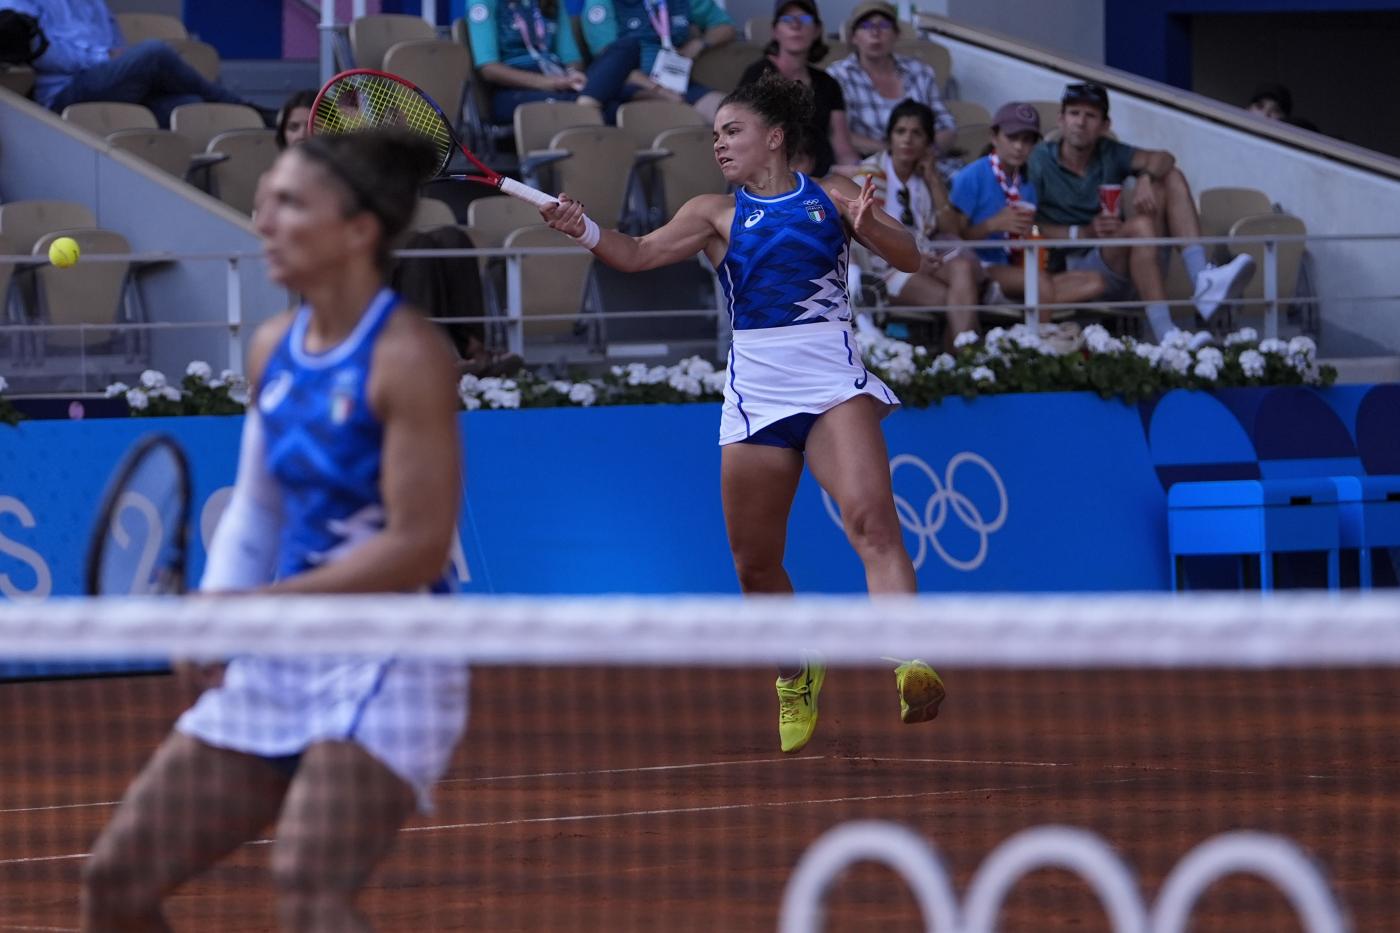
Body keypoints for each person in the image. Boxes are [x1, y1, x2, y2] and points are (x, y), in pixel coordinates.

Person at [80, 129, 469, 931]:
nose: (264, 219)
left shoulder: (409, 358)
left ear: (358, 230)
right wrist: (222, 605)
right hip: (283, 651)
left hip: (393, 656)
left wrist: (262, 604)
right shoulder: (271, 349)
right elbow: (258, 506)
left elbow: (418, 544)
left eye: (290, 202)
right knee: (115, 881)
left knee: (306, 885)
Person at [540, 73, 945, 754]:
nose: (720, 146)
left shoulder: (835, 199)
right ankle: (796, 670)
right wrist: (578, 225)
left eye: (733, 132)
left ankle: (910, 662)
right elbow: (635, 255)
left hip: (832, 388)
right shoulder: (712, 214)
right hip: (757, 399)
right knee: (755, 564)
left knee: (872, 519)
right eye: (716, 136)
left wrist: (874, 224)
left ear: (775, 137)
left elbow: (913, 259)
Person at [1027, 81, 1254, 341]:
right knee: (1141, 227)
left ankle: (1202, 279)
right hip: (1068, 265)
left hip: (1117, 256)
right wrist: (1083, 232)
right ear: (1061, 120)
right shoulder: (1040, 159)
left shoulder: (1109, 151)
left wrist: (1145, 176)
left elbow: (1165, 158)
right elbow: (1030, 225)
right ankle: (1166, 334)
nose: (1081, 122)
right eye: (1074, 113)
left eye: (1090, 116)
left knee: (1170, 176)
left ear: (1105, 126)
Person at [948, 101, 1104, 324]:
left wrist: (1033, 236)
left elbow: (1027, 231)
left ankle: (1017, 304)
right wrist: (992, 225)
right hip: (979, 266)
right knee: (1040, 283)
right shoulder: (971, 176)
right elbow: (953, 239)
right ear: (994, 137)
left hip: (1014, 267)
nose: (1020, 147)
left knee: (1094, 281)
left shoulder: (1027, 184)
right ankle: (1034, 343)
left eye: (1027, 140)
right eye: (1012, 138)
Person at [0, 0, 264, 128]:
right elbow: (39, 52)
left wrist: (115, 63)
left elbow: (118, 47)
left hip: (110, 83)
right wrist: (103, 59)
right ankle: (246, 108)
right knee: (154, 51)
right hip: (64, 94)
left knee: (190, 106)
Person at [854, 100, 983, 347]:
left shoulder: (924, 177)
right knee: (958, 301)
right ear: (890, 137)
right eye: (900, 131)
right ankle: (963, 359)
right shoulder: (868, 174)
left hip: (922, 259)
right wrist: (908, 258)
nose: (907, 140)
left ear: (928, 142)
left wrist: (934, 179)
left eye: (917, 133)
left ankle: (957, 361)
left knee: (963, 270)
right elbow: (862, 233)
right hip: (883, 268)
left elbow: (951, 229)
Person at [825, 0, 957, 179]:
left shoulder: (920, 71)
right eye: (865, 26)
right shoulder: (837, 75)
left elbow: (946, 126)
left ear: (897, 34)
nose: (875, 32)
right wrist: (896, 151)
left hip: (927, 160)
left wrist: (925, 150)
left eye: (884, 25)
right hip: (872, 165)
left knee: (967, 182)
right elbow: (840, 134)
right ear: (853, 37)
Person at [736, 0, 858, 177]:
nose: (796, 25)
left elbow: (842, 147)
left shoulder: (828, 83)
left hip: (823, 179)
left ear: (817, 30)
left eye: (805, 19)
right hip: (768, 179)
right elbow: (746, 139)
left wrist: (862, 172)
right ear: (775, 31)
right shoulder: (757, 75)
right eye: (787, 19)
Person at [465, 0, 637, 123]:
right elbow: (489, 69)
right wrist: (552, 83)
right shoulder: (483, 3)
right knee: (616, 109)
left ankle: (585, 104)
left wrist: (572, 75)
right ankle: (587, 105)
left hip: (564, 86)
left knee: (627, 47)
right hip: (515, 92)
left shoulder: (552, 2)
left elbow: (572, 59)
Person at [578, 0, 736, 121]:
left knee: (732, 113)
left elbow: (725, 27)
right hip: (629, 85)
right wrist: (660, 91)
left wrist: (700, 44)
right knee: (676, 114)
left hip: (676, 80)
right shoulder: (601, 3)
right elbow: (610, 67)